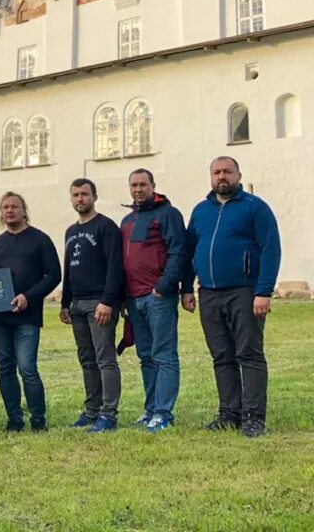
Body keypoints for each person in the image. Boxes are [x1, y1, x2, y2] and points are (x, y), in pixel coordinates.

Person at [188, 156, 281, 438]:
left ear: (238, 175)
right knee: (222, 356)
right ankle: (229, 413)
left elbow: (270, 249)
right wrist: (185, 287)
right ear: (210, 177)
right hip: (209, 293)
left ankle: (254, 417)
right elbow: (191, 250)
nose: (222, 176)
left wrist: (263, 291)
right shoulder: (201, 211)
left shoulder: (255, 208)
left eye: (228, 171)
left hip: (244, 291)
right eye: (216, 172)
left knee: (249, 353)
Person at [120, 169, 195, 433]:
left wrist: (164, 286)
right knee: (146, 356)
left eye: (143, 184)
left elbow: (179, 251)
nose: (138, 189)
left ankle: (164, 413)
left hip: (158, 297)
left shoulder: (167, 214)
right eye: (134, 185)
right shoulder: (127, 220)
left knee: (164, 355)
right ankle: (151, 408)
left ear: (153, 185)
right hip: (133, 299)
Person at [0, 191, 61, 432]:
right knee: (4, 367)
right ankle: (14, 419)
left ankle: (38, 419)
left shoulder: (40, 240)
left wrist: (29, 297)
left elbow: (54, 275)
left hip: (27, 316)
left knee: (27, 367)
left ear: (24, 210)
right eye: (5, 207)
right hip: (0, 317)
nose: (9, 210)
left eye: (14, 206)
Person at [60, 179, 125, 433]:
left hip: (99, 304)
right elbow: (68, 268)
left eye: (84, 194)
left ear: (94, 196)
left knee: (104, 358)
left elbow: (115, 268)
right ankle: (92, 410)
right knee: (87, 360)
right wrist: (65, 302)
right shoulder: (71, 231)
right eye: (75, 194)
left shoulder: (106, 227)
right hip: (76, 304)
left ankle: (109, 414)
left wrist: (108, 301)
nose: (80, 199)